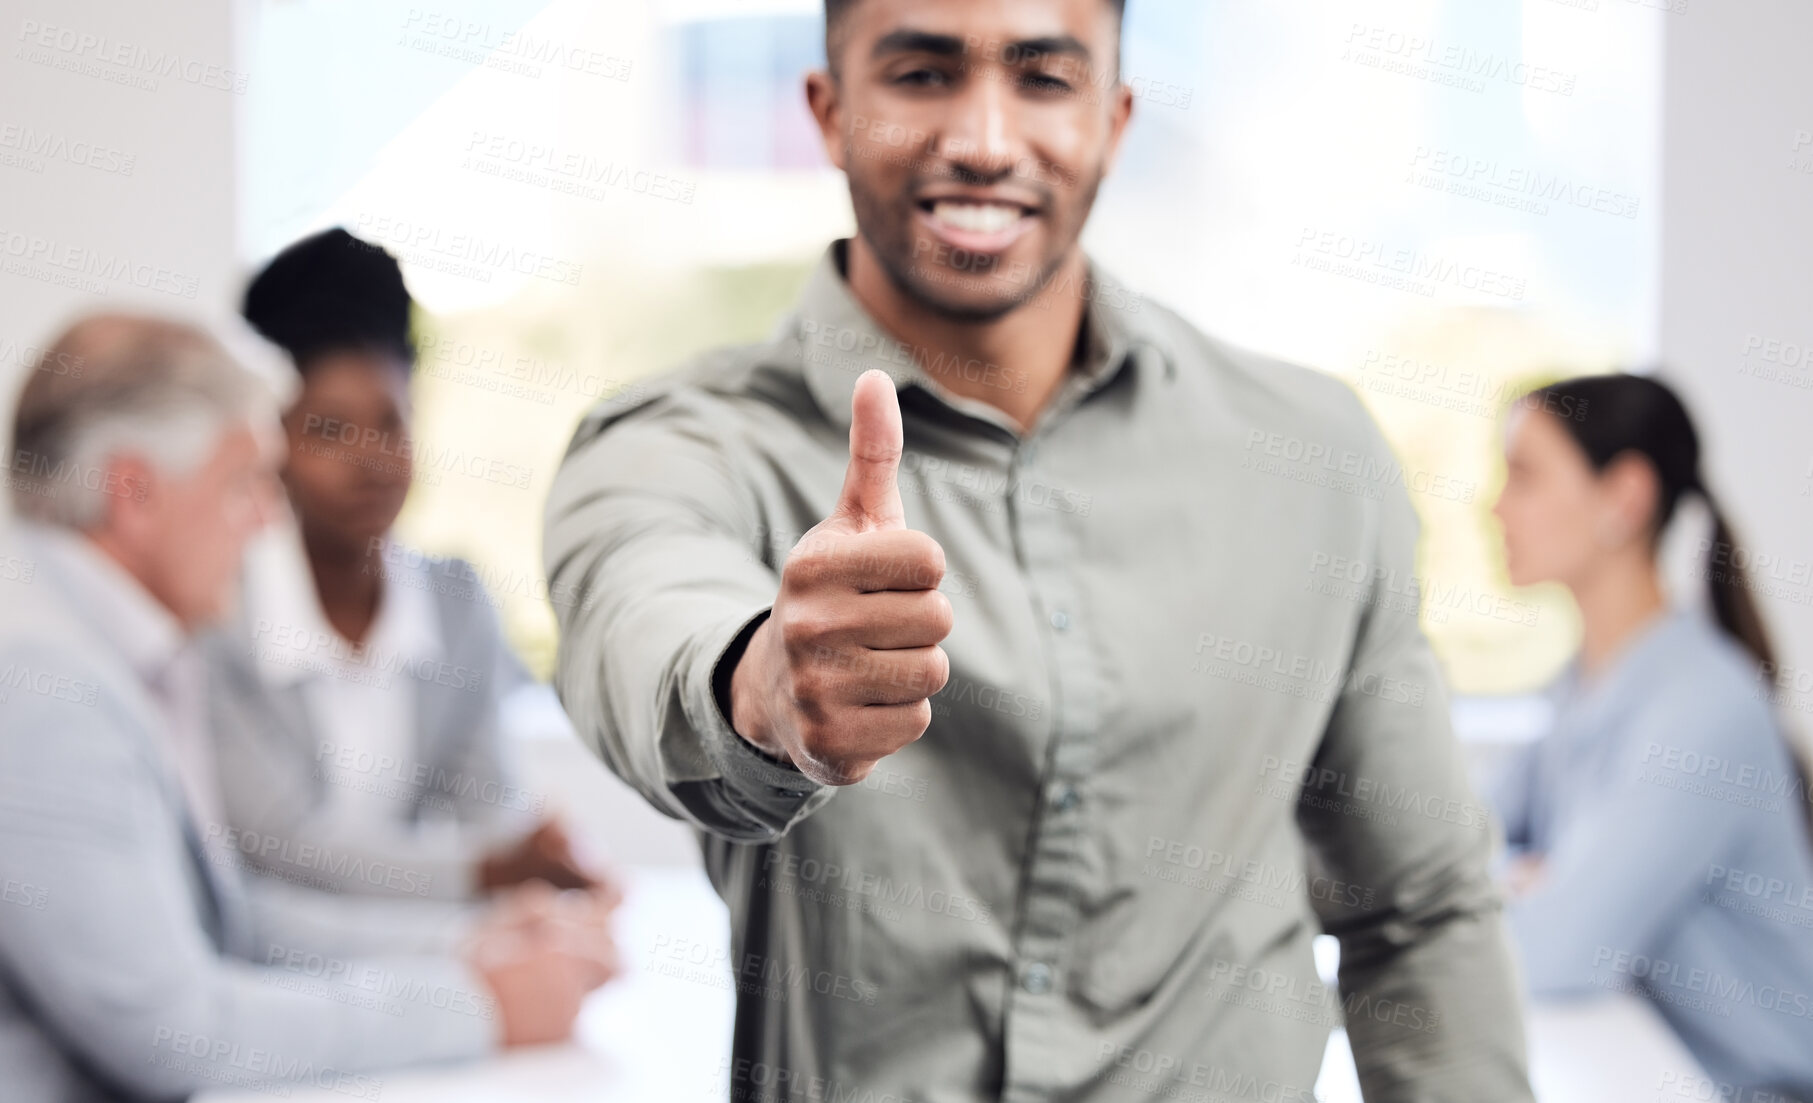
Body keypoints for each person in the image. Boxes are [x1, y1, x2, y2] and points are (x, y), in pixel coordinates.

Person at [542, 0, 1533, 1097]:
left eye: (1043, 78)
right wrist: (764, 688)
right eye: (920, 74)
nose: (981, 139)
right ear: (828, 112)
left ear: (1113, 117)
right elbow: (641, 620)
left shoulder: (1315, 460)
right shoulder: (679, 443)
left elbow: (1419, 913)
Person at [0, 314, 616, 1102]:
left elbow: (223, 921)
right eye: (243, 482)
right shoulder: (44, 684)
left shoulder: (105, 646)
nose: (266, 517)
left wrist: (469, 946)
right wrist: (482, 1005)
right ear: (135, 493)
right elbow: (176, 1029)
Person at [208, 227, 610, 903]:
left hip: (416, 956)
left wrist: (530, 871)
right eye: (330, 430)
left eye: (390, 423)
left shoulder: (454, 600)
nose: (372, 461)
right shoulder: (220, 606)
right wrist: (484, 871)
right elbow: (280, 844)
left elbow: (490, 811)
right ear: (268, 441)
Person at [1489, 373, 1813, 1099]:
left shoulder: (1703, 707)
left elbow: (1553, 951)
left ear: (1624, 497)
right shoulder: (1584, 682)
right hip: (1649, 1058)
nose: (1495, 506)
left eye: (1525, 475)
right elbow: (1457, 834)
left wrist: (1550, 888)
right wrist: (1527, 879)